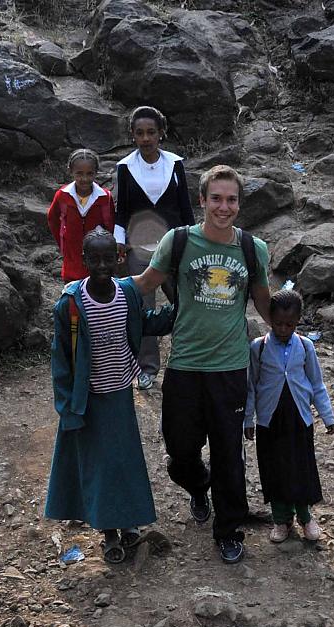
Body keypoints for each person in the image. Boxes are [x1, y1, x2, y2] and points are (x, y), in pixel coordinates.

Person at [132, 165, 271, 565]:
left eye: (231, 199)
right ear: (202, 200)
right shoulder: (177, 242)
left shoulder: (252, 249)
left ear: (239, 203)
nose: (223, 207)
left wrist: (287, 334)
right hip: (185, 367)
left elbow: (262, 299)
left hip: (229, 369)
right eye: (216, 198)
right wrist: (94, 296)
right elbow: (145, 283)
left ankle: (228, 529)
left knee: (230, 454)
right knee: (180, 453)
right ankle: (198, 486)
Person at [45, 227, 173, 564]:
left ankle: (129, 522)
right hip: (89, 398)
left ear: (119, 259)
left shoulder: (126, 293)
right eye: (94, 258)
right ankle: (109, 531)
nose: (102, 264)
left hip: (120, 393)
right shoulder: (71, 303)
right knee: (99, 464)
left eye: (108, 258)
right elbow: (61, 359)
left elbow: (144, 323)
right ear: (84, 260)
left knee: (125, 460)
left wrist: (179, 308)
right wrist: (67, 407)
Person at [244, 289, 334, 544]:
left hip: (299, 419)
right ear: (269, 320)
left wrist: (327, 417)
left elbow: (317, 384)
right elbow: (251, 386)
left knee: (301, 468)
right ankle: (281, 519)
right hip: (269, 420)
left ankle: (306, 517)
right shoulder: (258, 348)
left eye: (290, 324)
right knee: (273, 469)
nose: (284, 329)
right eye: (278, 324)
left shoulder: (305, 347)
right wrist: (248, 419)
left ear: (298, 322)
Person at [114, 106, 195, 392]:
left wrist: (193, 239)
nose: (146, 138)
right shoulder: (125, 168)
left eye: (151, 132)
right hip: (139, 247)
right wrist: (119, 240)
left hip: (175, 243)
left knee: (184, 302)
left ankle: (187, 361)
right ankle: (146, 369)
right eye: (139, 133)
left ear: (161, 133)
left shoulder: (175, 164)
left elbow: (185, 207)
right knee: (143, 308)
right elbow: (121, 209)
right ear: (133, 136)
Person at [47, 148, 116, 283]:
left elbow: (111, 225)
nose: (84, 179)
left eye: (89, 174)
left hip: (97, 261)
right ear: (70, 171)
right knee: (73, 294)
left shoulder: (104, 198)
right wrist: (64, 243)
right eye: (79, 174)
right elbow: (53, 219)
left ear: (96, 173)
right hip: (71, 258)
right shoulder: (62, 196)